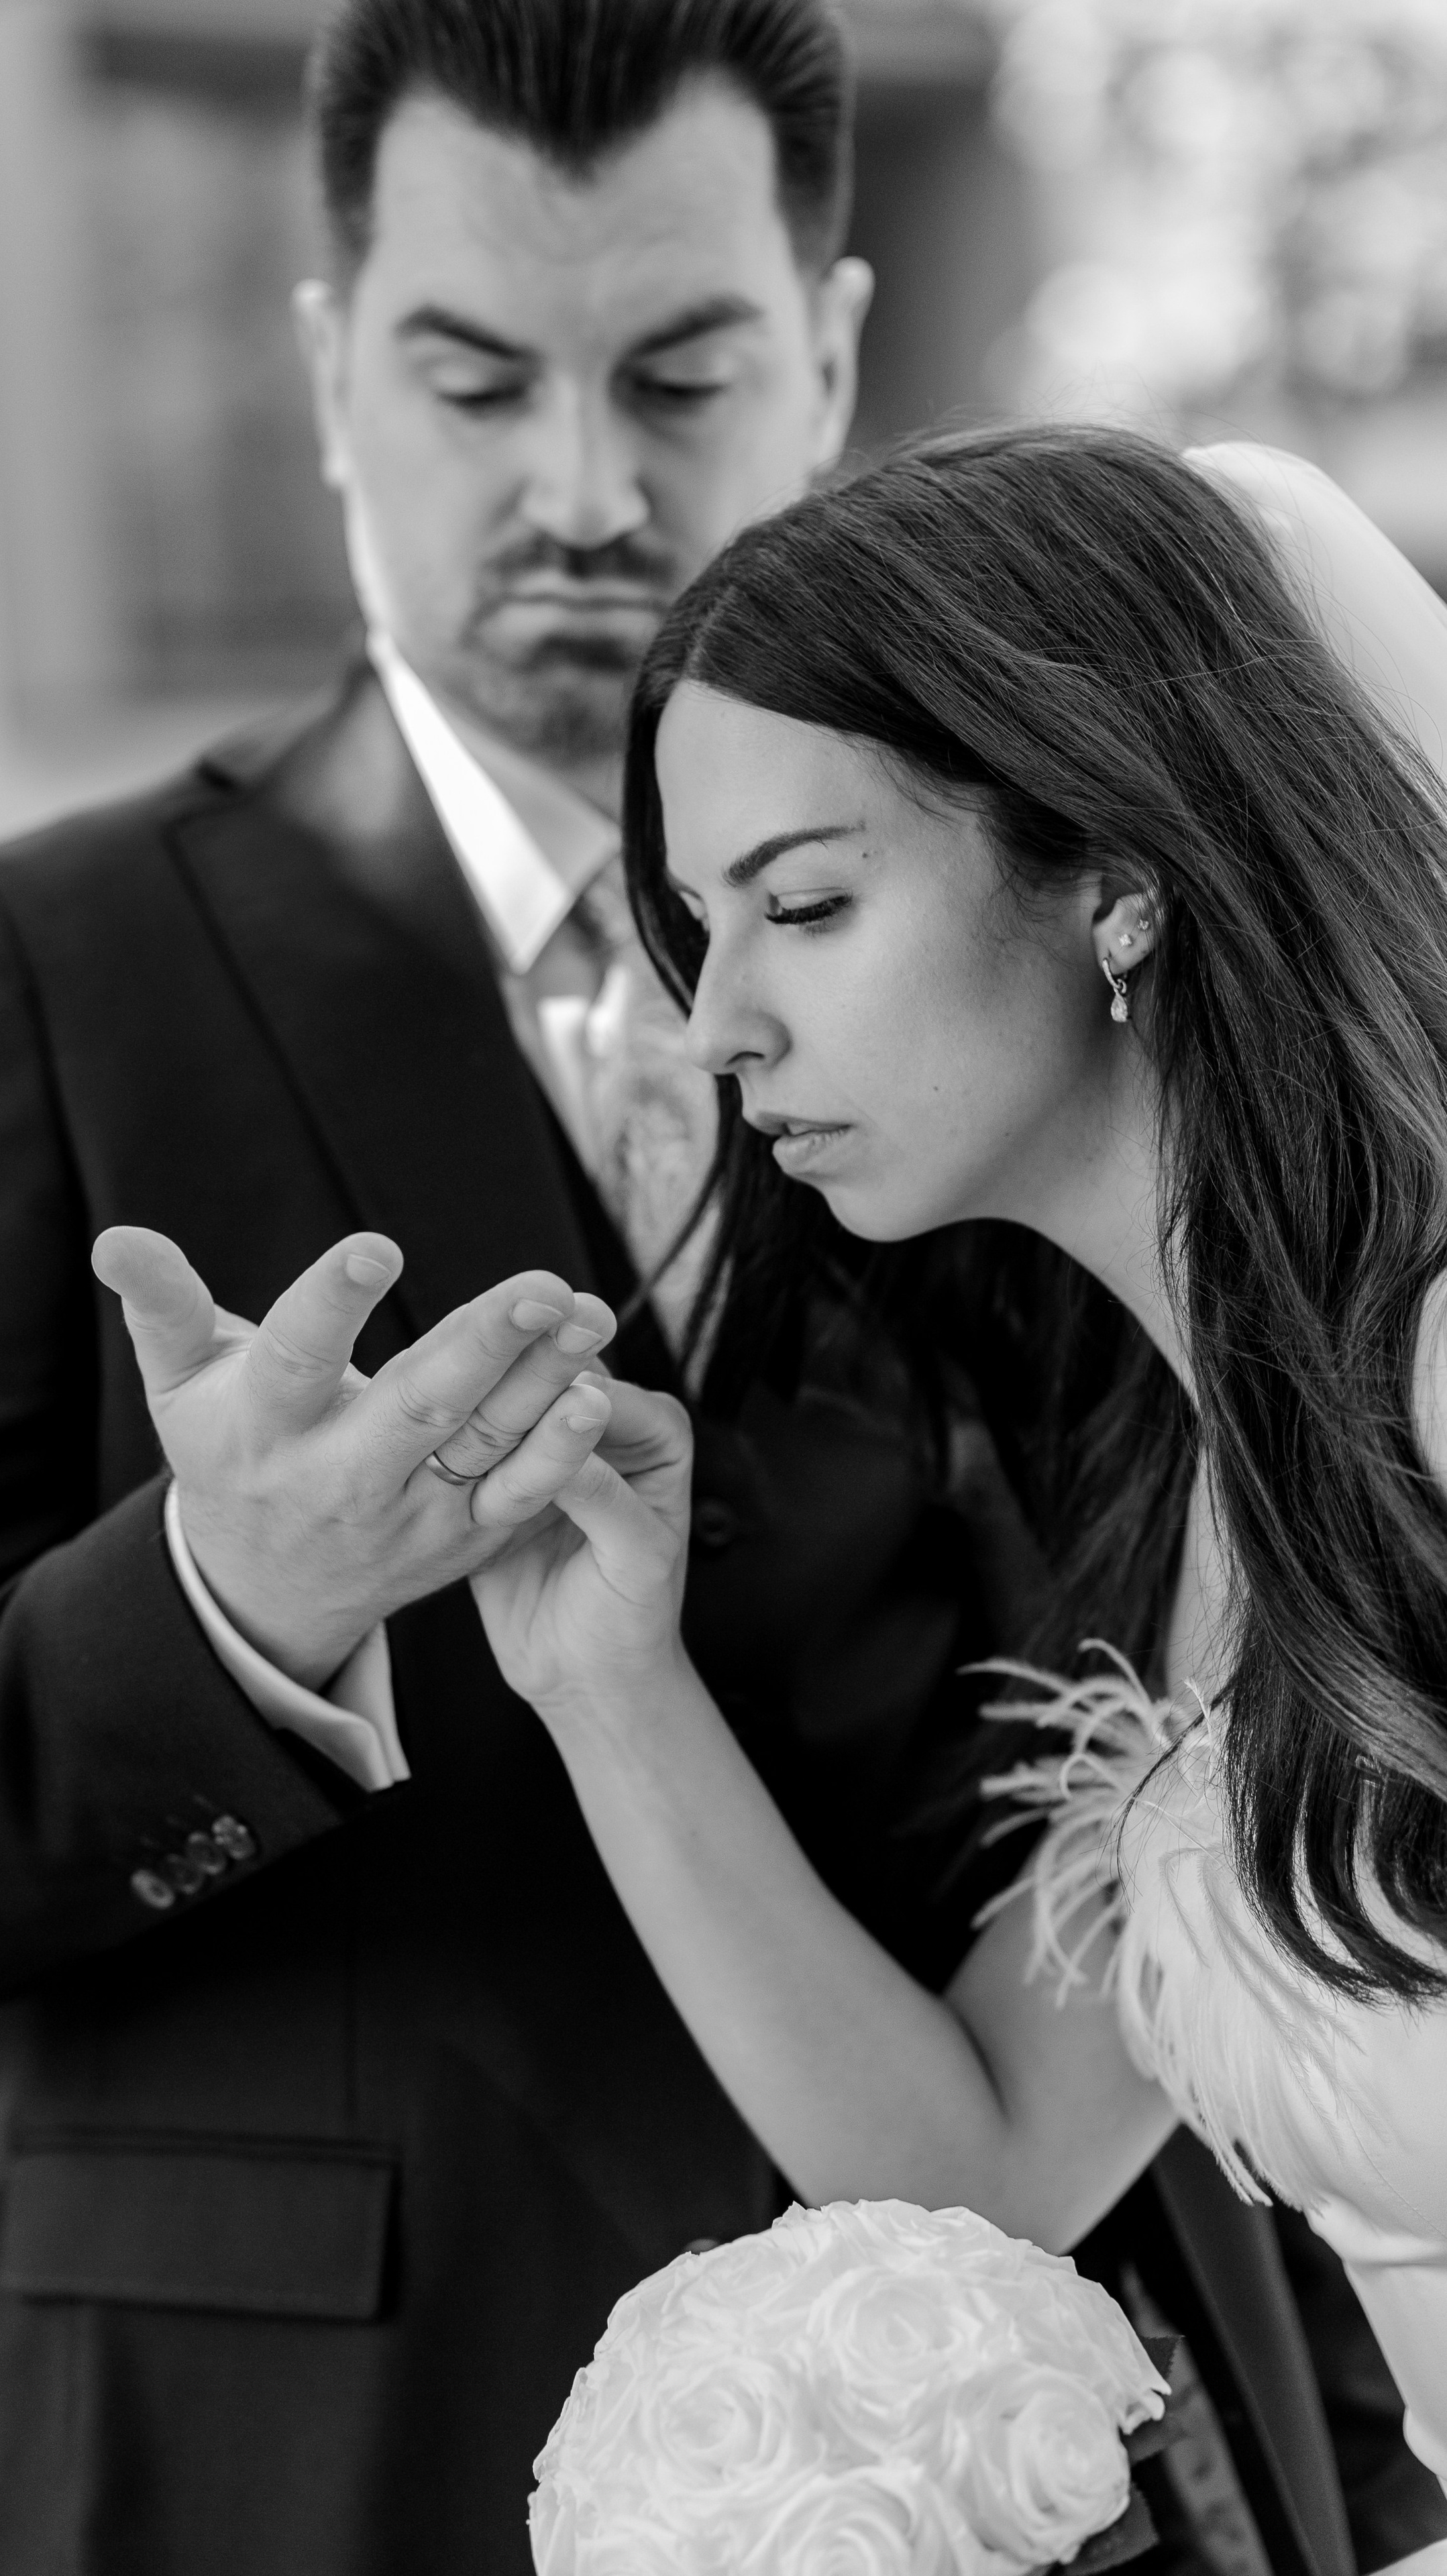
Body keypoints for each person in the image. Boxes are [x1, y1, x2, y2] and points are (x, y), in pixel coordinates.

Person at [0, 0, 1416, 2555]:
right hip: (323, 2472)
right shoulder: (34, 959)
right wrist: (238, 1615)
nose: (583, 482)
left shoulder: (1149, 1073)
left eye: (681, 367)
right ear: (328, 373)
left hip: (1112, 2449)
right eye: (476, 380)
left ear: (833, 349)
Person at [465, 427, 1447, 2543]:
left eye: (806, 903)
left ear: (1115, 873)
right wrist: (606, 1681)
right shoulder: (1228, 1499)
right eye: (694, 926)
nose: (717, 1023)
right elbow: (987, 2171)